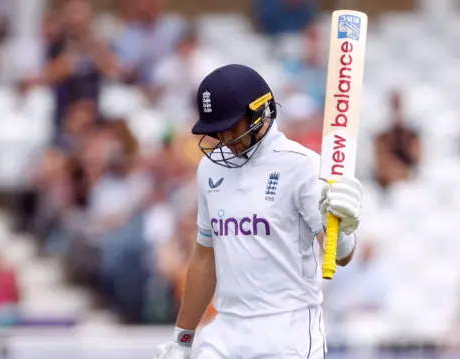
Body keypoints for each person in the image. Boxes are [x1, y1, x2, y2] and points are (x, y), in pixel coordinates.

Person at [154, 64, 364, 358]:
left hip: (286, 330)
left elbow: (341, 256)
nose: (224, 138)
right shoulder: (210, 167)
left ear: (260, 113)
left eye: (231, 126)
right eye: (217, 130)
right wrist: (182, 339)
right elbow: (205, 256)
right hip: (225, 328)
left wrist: (342, 229)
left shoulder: (302, 166)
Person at [374, 90, 421, 189]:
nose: (397, 112)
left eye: (399, 107)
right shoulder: (381, 138)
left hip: (409, 187)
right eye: (394, 108)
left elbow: (417, 161)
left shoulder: (413, 137)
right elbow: (381, 165)